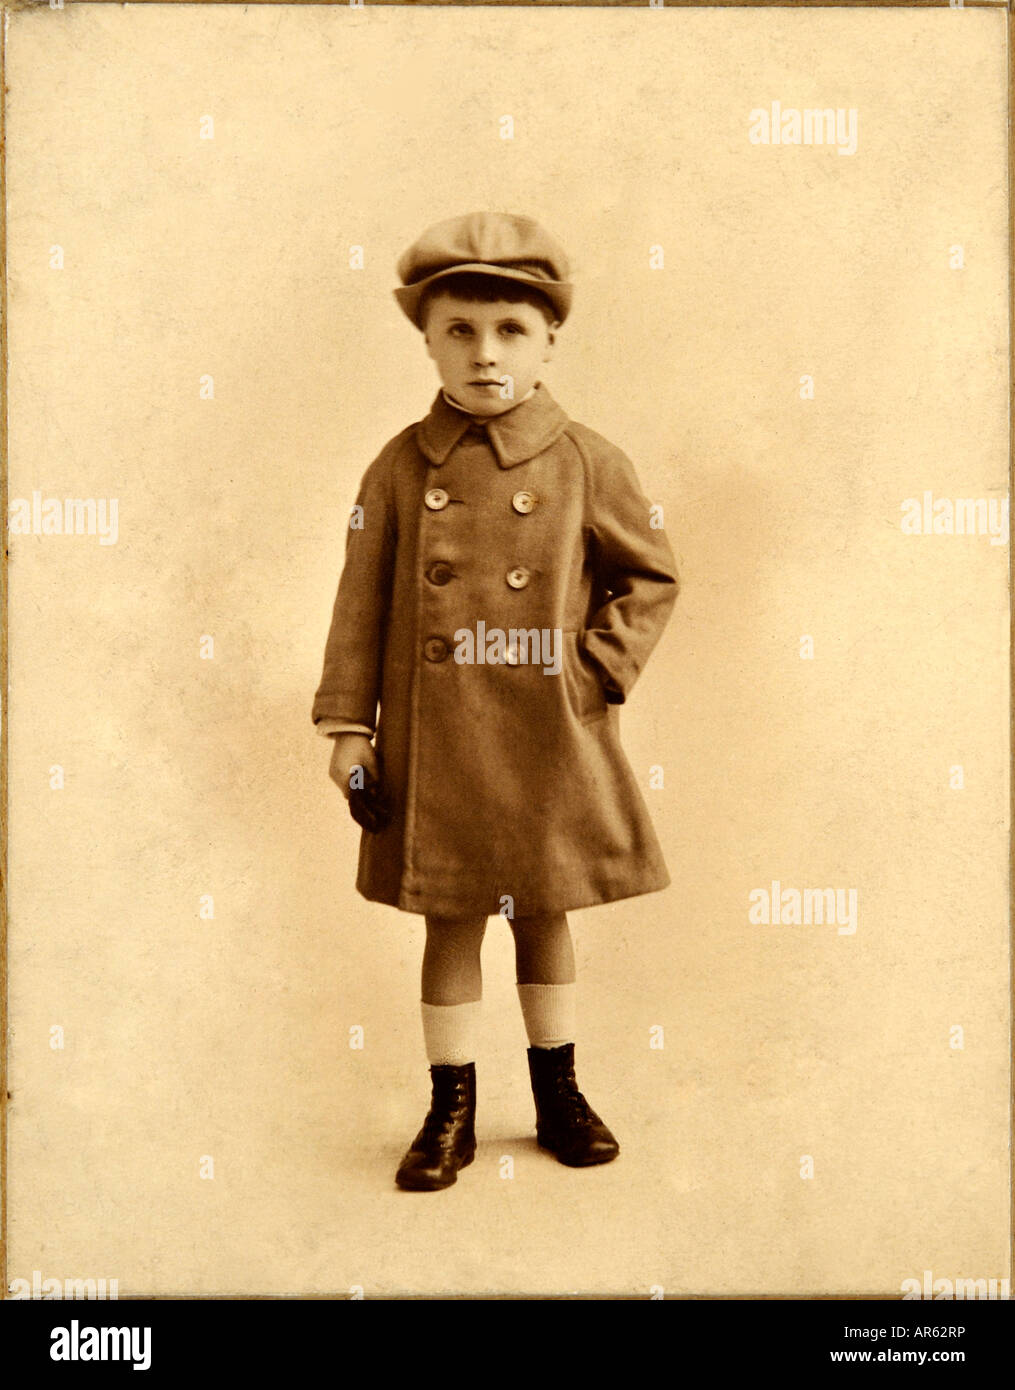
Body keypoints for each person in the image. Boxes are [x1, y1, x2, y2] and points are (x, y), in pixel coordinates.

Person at [313, 211, 679, 1191]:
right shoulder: (397, 466)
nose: (484, 354)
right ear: (426, 339)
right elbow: (360, 602)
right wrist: (350, 726)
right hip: (437, 744)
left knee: (546, 909)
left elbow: (649, 577)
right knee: (449, 921)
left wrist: (592, 674)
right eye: (459, 330)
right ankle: (450, 1108)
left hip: (546, 737)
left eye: (510, 329)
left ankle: (558, 1089)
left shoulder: (587, 460)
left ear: (550, 338)